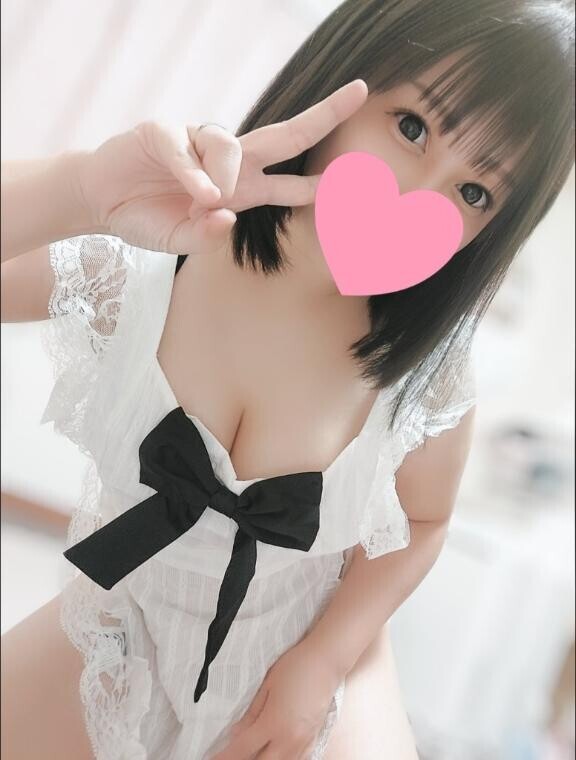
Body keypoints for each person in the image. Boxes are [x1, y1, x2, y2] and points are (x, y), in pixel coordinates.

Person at [1, 0, 574, 758]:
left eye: (475, 193)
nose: (420, 194)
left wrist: (326, 659)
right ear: (346, 77)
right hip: (117, 627)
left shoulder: (427, 375)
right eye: (412, 126)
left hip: (302, 660)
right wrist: (81, 188)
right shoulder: (145, 263)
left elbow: (424, 522)